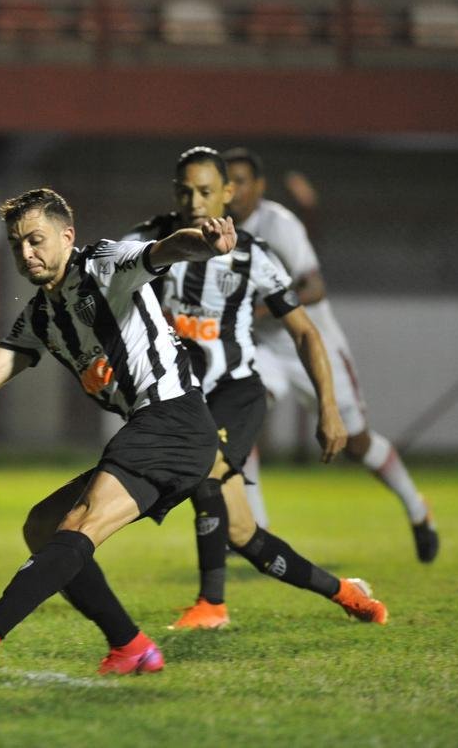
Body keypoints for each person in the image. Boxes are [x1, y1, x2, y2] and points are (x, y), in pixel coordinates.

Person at [0, 187, 237, 675]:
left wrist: (205, 240)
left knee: (79, 523)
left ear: (67, 236)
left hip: (173, 419)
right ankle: (131, 647)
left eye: (36, 240)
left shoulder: (104, 264)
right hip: (160, 430)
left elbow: (165, 250)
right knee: (44, 526)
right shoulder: (40, 317)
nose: (27, 253)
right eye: (17, 244)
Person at [125, 147, 389, 630]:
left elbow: (306, 332)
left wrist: (328, 409)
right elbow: (101, 283)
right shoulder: (147, 242)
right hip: (181, 398)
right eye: (185, 191)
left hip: (235, 392)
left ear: (228, 194)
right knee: (245, 534)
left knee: (205, 471)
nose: (195, 201)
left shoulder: (252, 256)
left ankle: (212, 606)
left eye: (206, 191)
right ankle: (347, 593)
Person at [221, 147, 439, 563]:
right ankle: (254, 531)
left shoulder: (278, 225)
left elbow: (314, 287)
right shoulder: (216, 229)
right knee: (239, 419)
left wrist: (262, 309)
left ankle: (416, 508)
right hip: (263, 347)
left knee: (356, 444)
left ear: (259, 186)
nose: (232, 191)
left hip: (312, 344)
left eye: (241, 181)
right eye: (226, 181)